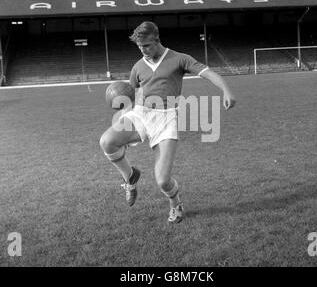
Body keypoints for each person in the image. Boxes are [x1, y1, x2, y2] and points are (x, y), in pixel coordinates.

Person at [100, 21, 236, 224]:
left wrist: (226, 90)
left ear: (157, 40)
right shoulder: (138, 67)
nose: (143, 50)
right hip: (141, 113)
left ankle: (176, 203)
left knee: (163, 180)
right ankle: (130, 177)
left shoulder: (180, 59)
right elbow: (130, 97)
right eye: (139, 47)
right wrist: (122, 117)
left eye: (146, 45)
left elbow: (208, 73)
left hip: (166, 118)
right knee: (107, 141)